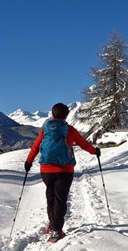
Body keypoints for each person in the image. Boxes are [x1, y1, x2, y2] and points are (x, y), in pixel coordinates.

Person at [24, 102, 101, 243]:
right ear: (66, 115)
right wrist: (95, 151)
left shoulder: (45, 129)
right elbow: (84, 144)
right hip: (65, 170)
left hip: (46, 169)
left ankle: (52, 225)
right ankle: (56, 231)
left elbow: (35, 147)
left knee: (51, 196)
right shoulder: (69, 130)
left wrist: (28, 162)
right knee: (60, 199)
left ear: (52, 114)